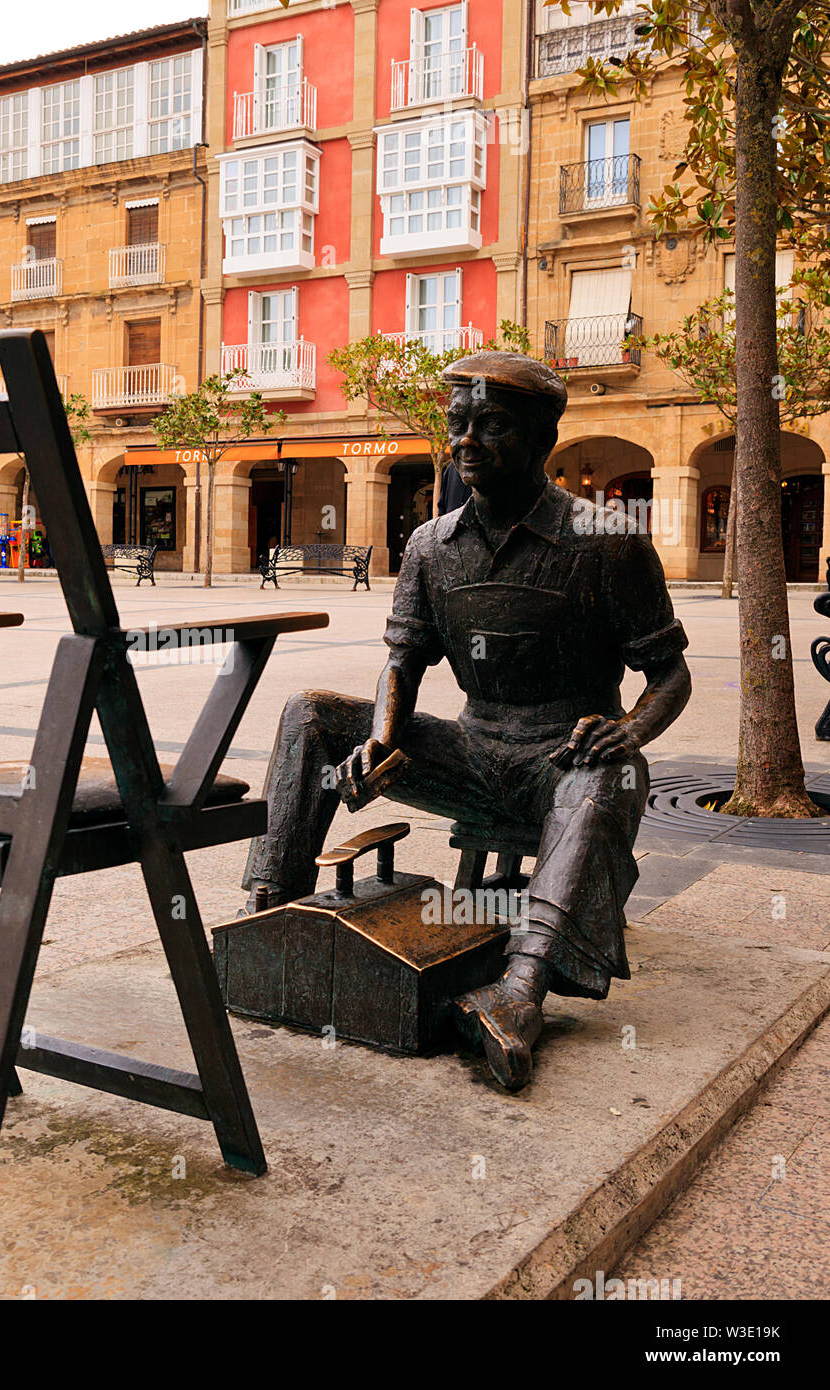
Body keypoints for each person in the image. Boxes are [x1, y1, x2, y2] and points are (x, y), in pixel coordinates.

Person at [243, 351, 691, 1090]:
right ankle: (271, 906)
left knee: (611, 773)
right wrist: (383, 736)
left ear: (543, 437)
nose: (467, 441)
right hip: (472, 752)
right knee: (313, 715)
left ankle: (519, 993)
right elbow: (404, 658)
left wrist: (630, 731)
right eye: (458, 425)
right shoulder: (430, 545)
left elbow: (668, 674)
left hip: (563, 762)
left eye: (492, 425)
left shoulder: (609, 541)